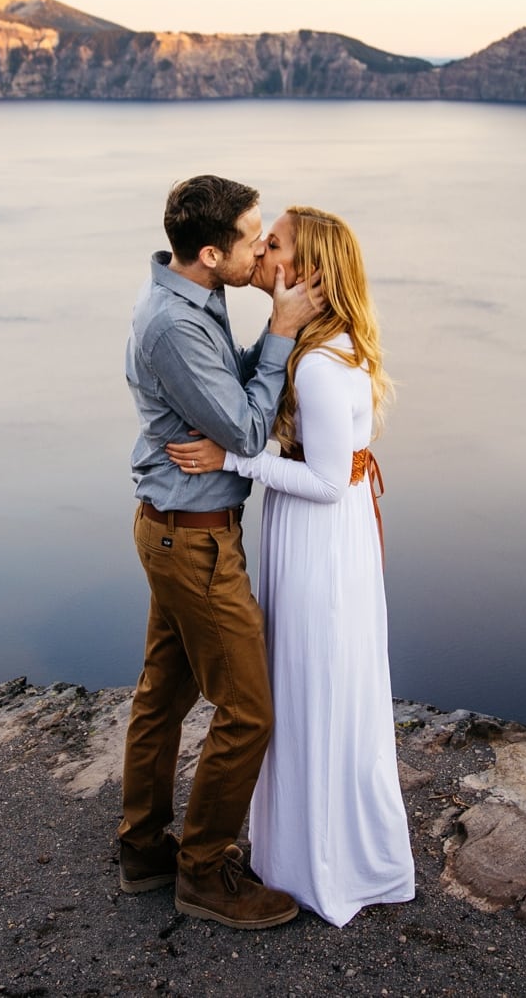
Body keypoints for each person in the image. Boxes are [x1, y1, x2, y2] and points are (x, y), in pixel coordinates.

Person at [165, 206, 415, 927]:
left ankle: (320, 864)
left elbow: (330, 480)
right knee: (312, 687)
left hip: (321, 540)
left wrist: (233, 457)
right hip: (317, 535)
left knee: (311, 688)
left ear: (305, 272)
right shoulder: (314, 346)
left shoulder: (323, 367)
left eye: (274, 244)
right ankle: (307, 851)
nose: (261, 250)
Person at [119, 174, 323, 930]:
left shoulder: (193, 299)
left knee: (164, 695)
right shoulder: (174, 324)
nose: (261, 250)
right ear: (210, 252)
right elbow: (243, 431)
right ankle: (203, 871)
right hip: (193, 541)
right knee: (248, 709)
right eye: (251, 238)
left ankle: (143, 850)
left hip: (174, 527)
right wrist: (279, 336)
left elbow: (226, 406)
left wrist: (258, 359)